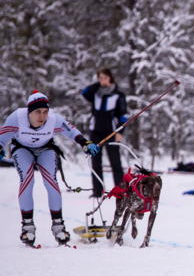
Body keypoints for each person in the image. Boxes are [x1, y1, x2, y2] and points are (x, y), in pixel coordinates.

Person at [0, 91, 100, 245]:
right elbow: (2, 139)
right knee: (27, 180)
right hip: (22, 149)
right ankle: (28, 227)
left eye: (45, 112)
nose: (42, 116)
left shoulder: (54, 120)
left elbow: (73, 132)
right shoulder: (16, 118)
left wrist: (85, 143)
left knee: (51, 182)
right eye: (38, 112)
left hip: (45, 149)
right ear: (29, 112)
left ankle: (58, 225)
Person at [80, 67, 127, 198]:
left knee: (115, 162)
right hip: (96, 130)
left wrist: (120, 131)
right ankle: (97, 190)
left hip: (111, 132)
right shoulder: (95, 92)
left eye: (105, 78)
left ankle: (120, 190)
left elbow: (123, 115)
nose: (103, 81)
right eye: (100, 78)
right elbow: (84, 93)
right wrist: (97, 84)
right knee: (96, 162)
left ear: (110, 78)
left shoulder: (118, 94)